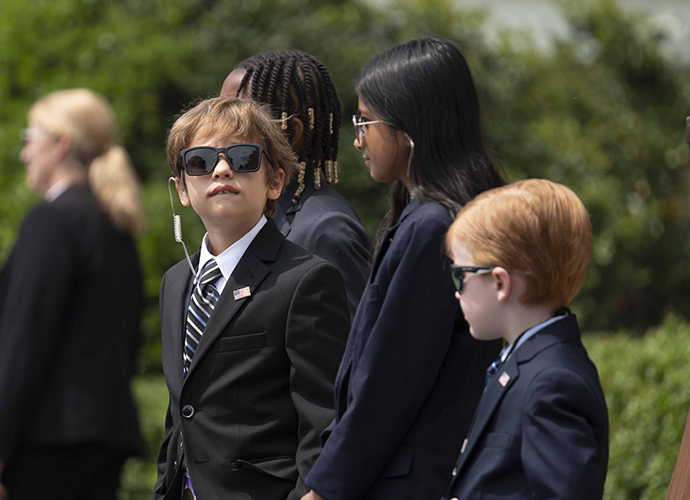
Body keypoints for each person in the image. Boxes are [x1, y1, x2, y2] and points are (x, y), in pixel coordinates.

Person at [303, 37, 505, 500]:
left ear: (410, 125)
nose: (357, 139)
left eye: (365, 121)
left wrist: (324, 490)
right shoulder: (441, 215)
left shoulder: (432, 225)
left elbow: (388, 383)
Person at [152, 97, 350, 500]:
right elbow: (180, 413)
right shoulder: (175, 281)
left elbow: (324, 415)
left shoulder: (306, 279)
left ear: (274, 181)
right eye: (200, 162)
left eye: (243, 158)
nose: (221, 169)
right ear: (182, 189)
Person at [0, 88, 147, 500]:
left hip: (41, 446)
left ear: (60, 143)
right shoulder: (116, 227)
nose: (23, 155)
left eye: (28, 139)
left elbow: (22, 338)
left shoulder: (51, 221)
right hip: (102, 444)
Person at [444, 179, 609, 500]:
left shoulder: (553, 383)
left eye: (460, 276)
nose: (456, 290)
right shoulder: (525, 363)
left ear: (500, 283)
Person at [220, 50, 370, 317]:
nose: (215, 128)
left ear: (290, 134)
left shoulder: (325, 230)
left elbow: (347, 351)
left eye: (234, 119)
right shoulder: (250, 216)